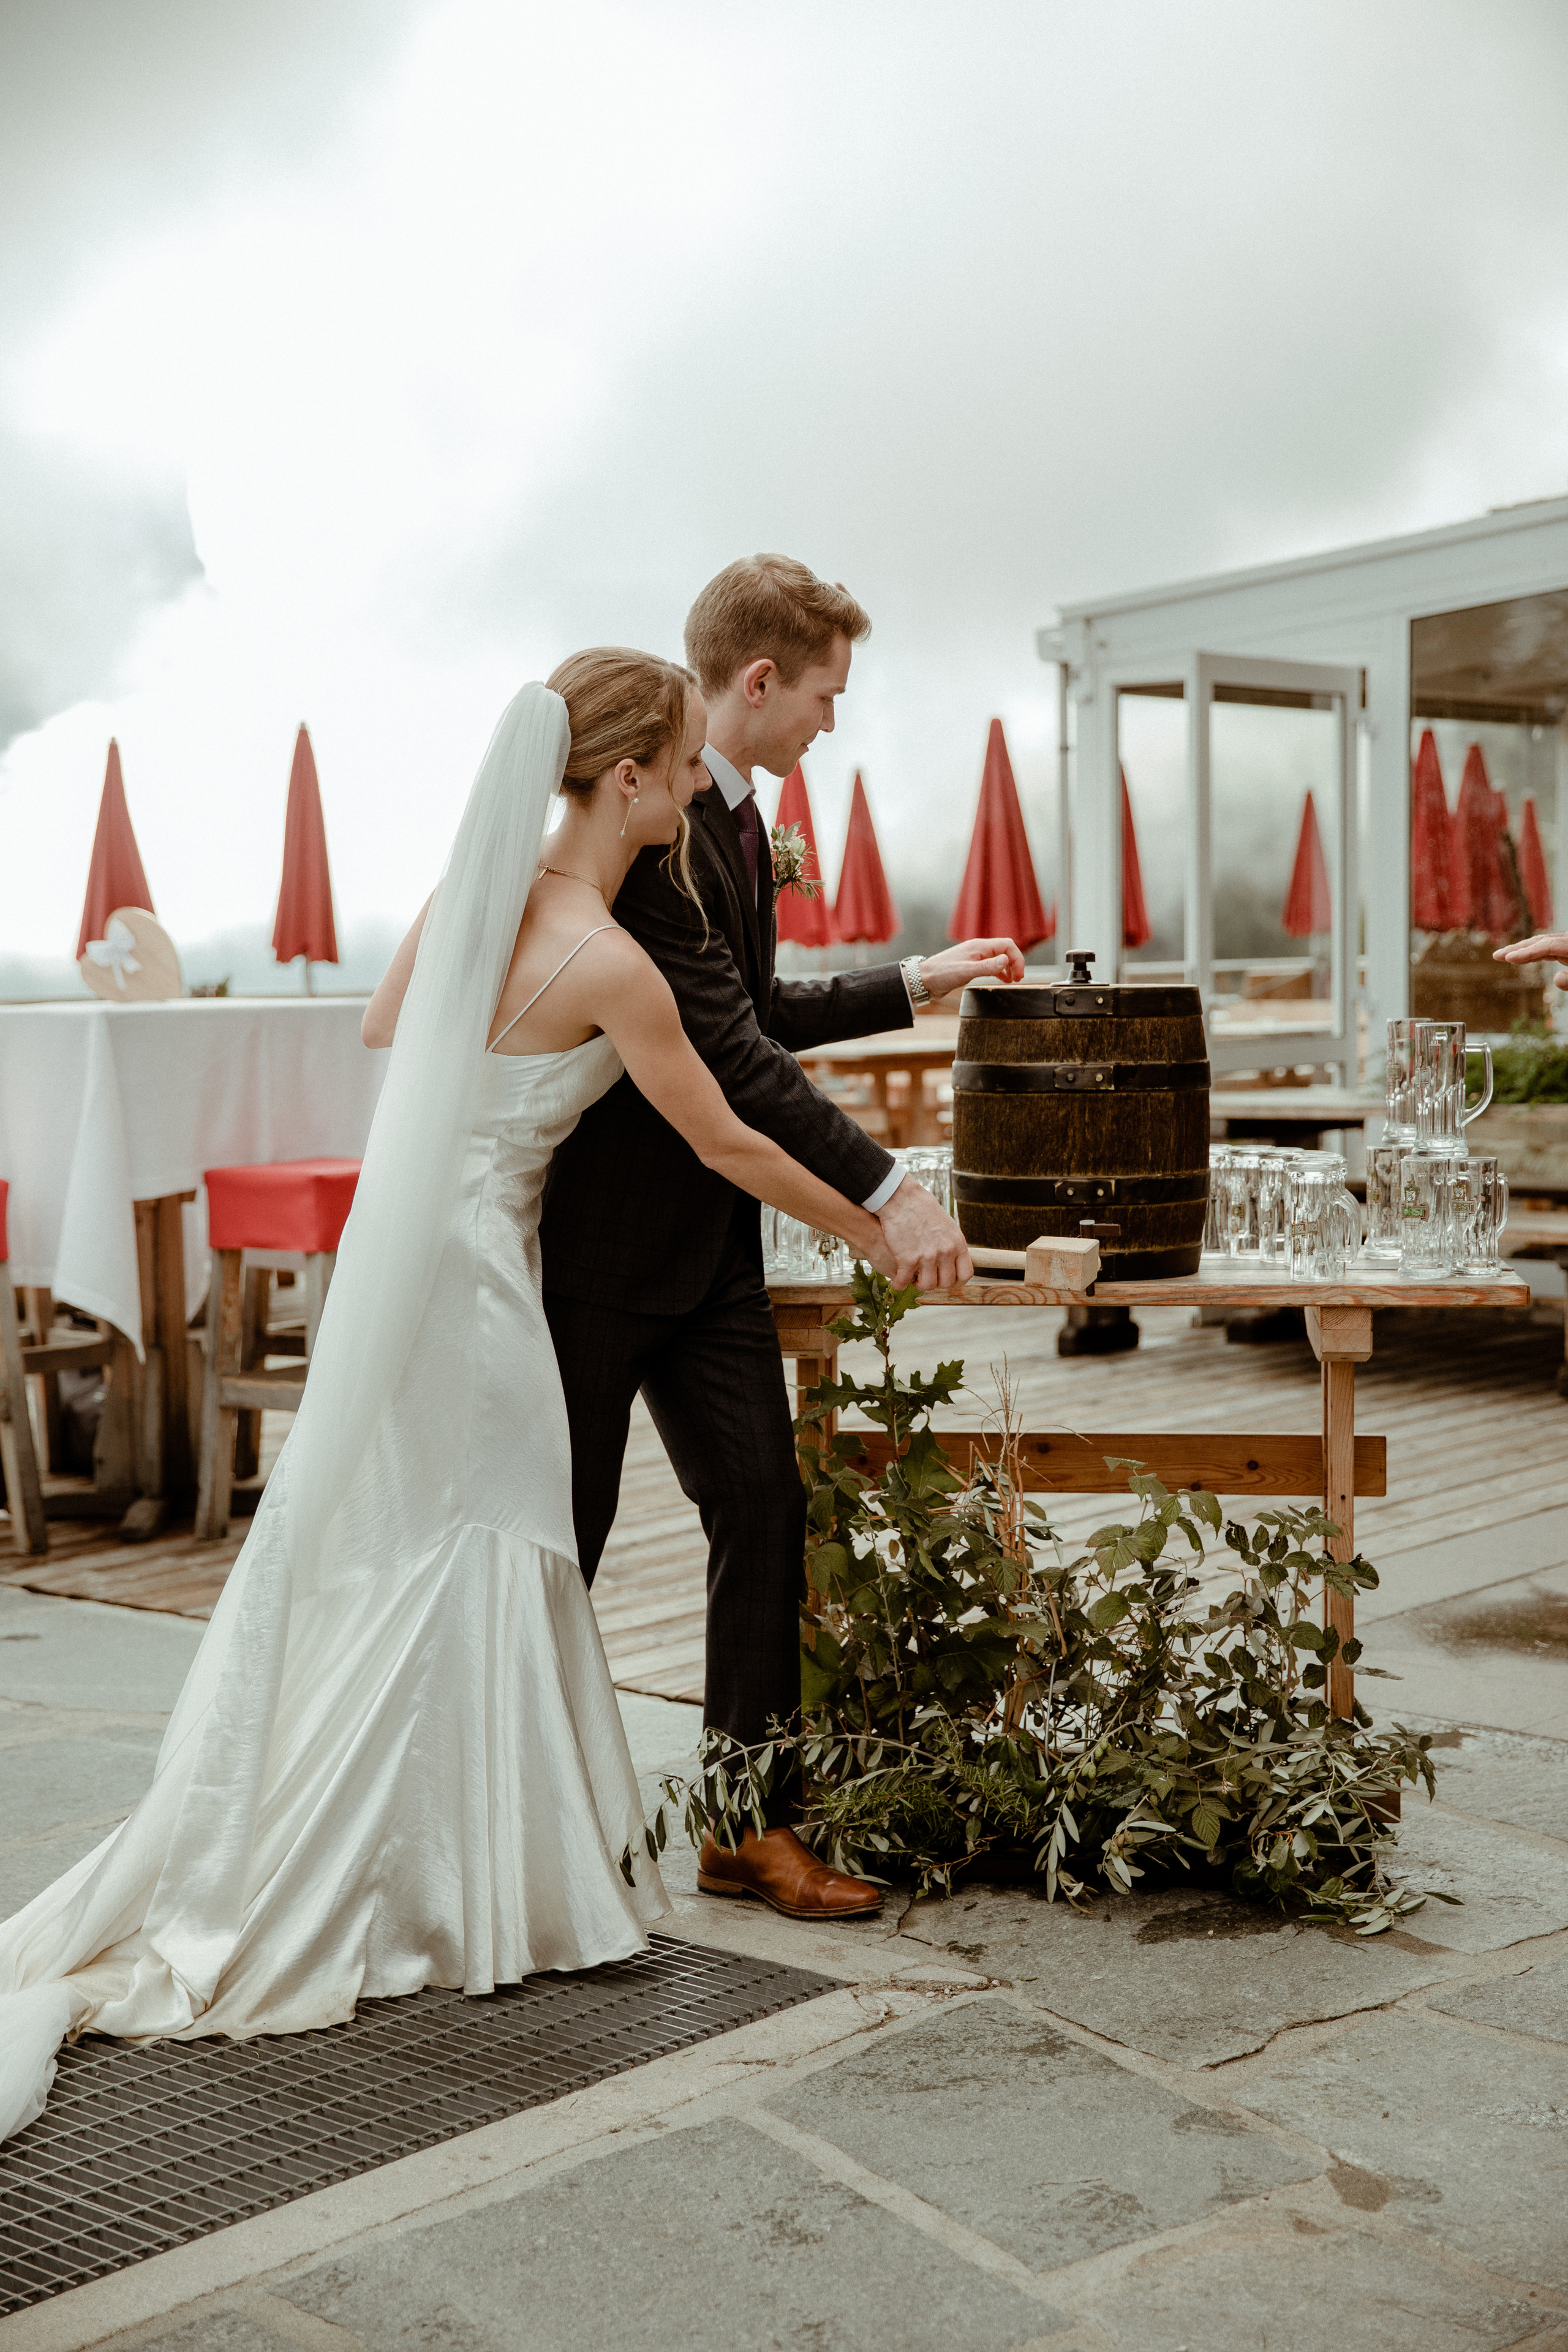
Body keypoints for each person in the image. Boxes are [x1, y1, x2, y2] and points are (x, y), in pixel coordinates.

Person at [0, 650, 903, 2144]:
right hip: (486, 1286)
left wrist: (489, 1091)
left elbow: (383, 1035)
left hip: (410, 1263)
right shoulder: (609, 960)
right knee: (489, 1543)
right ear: (624, 779)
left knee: (408, 1548)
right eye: (679, 763)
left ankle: (452, 1854)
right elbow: (730, 1140)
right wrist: (878, 1221)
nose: (693, 783)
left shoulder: (471, 897)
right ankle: (457, 1878)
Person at [540, 556, 1024, 1923]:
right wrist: (888, 1192)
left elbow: (753, 1010)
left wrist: (912, 980)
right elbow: (735, 1062)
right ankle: (517, 1821)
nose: (831, 723)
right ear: (759, 682)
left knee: (763, 1510)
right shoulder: (648, 822)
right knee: (555, 1544)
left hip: (710, 1256)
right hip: (592, 1252)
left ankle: (745, 1827)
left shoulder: (740, 825)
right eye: (824, 696)